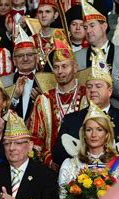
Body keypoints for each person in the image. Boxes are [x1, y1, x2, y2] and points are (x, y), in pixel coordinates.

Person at [52, 49, 119, 167]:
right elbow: (58, 155)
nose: (93, 90)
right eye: (89, 87)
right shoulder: (71, 120)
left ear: (110, 91)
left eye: (98, 86)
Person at [29, 39, 88, 169]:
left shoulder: (87, 96)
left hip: (84, 167)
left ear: (75, 67)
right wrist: (49, 160)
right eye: (56, 67)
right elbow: (34, 138)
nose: (60, 71)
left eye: (64, 66)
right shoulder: (43, 100)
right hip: (49, 170)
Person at [75, 0, 119, 112]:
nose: (88, 31)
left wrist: (106, 78)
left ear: (104, 26)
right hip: (86, 118)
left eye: (92, 25)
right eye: (85, 28)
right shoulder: (77, 57)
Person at [2, 26, 40, 122]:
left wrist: (41, 101)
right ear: (14, 61)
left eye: (29, 55)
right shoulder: (4, 83)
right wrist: (14, 98)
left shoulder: (45, 81)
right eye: (20, 56)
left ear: (37, 58)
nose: (25, 59)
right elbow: (0, 115)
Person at [31, 0, 66, 71]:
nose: (43, 15)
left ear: (55, 15)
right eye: (40, 12)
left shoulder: (64, 38)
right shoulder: (31, 40)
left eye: (47, 11)